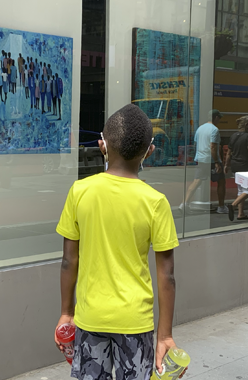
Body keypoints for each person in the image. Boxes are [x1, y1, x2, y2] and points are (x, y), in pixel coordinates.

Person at [55, 104, 181, 380]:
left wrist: (67, 312)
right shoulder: (156, 202)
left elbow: (68, 260)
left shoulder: (80, 192)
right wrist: (165, 335)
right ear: (149, 151)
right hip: (135, 322)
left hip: (91, 318)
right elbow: (166, 276)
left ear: (102, 145)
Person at [179, 110, 226, 214]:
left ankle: (184, 204)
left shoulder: (200, 128)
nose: (219, 120)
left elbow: (196, 144)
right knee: (221, 182)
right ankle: (221, 206)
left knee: (196, 181)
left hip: (201, 159)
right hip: (211, 160)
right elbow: (213, 147)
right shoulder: (215, 130)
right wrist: (217, 162)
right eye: (219, 118)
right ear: (216, 117)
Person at [224, 115, 248, 221]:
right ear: (246, 125)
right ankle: (233, 205)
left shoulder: (233, 136)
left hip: (235, 166)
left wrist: (226, 165)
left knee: (241, 190)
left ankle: (241, 213)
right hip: (246, 167)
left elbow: (229, 153)